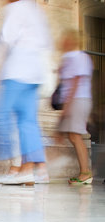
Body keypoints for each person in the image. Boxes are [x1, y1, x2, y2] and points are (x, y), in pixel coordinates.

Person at [0, 0, 52, 186]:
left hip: (16, 70)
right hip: (34, 73)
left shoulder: (16, 8)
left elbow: (7, 37)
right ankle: (33, 169)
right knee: (28, 122)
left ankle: (12, 163)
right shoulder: (35, 9)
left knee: (1, 115)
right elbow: (46, 41)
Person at [56, 29, 94, 185]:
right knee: (72, 136)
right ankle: (85, 172)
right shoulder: (71, 58)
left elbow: (75, 83)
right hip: (76, 99)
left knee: (75, 136)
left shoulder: (79, 57)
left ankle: (86, 173)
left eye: (66, 38)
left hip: (78, 99)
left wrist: (67, 106)